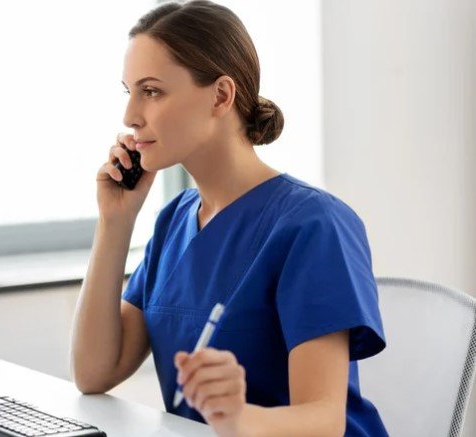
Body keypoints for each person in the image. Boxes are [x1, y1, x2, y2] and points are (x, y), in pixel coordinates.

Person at [70, 1, 387, 436]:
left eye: (153, 91)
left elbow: (325, 421)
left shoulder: (314, 225)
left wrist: (237, 420)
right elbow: (93, 372)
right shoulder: (174, 222)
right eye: (130, 92)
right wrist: (115, 221)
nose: (130, 117)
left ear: (221, 95)